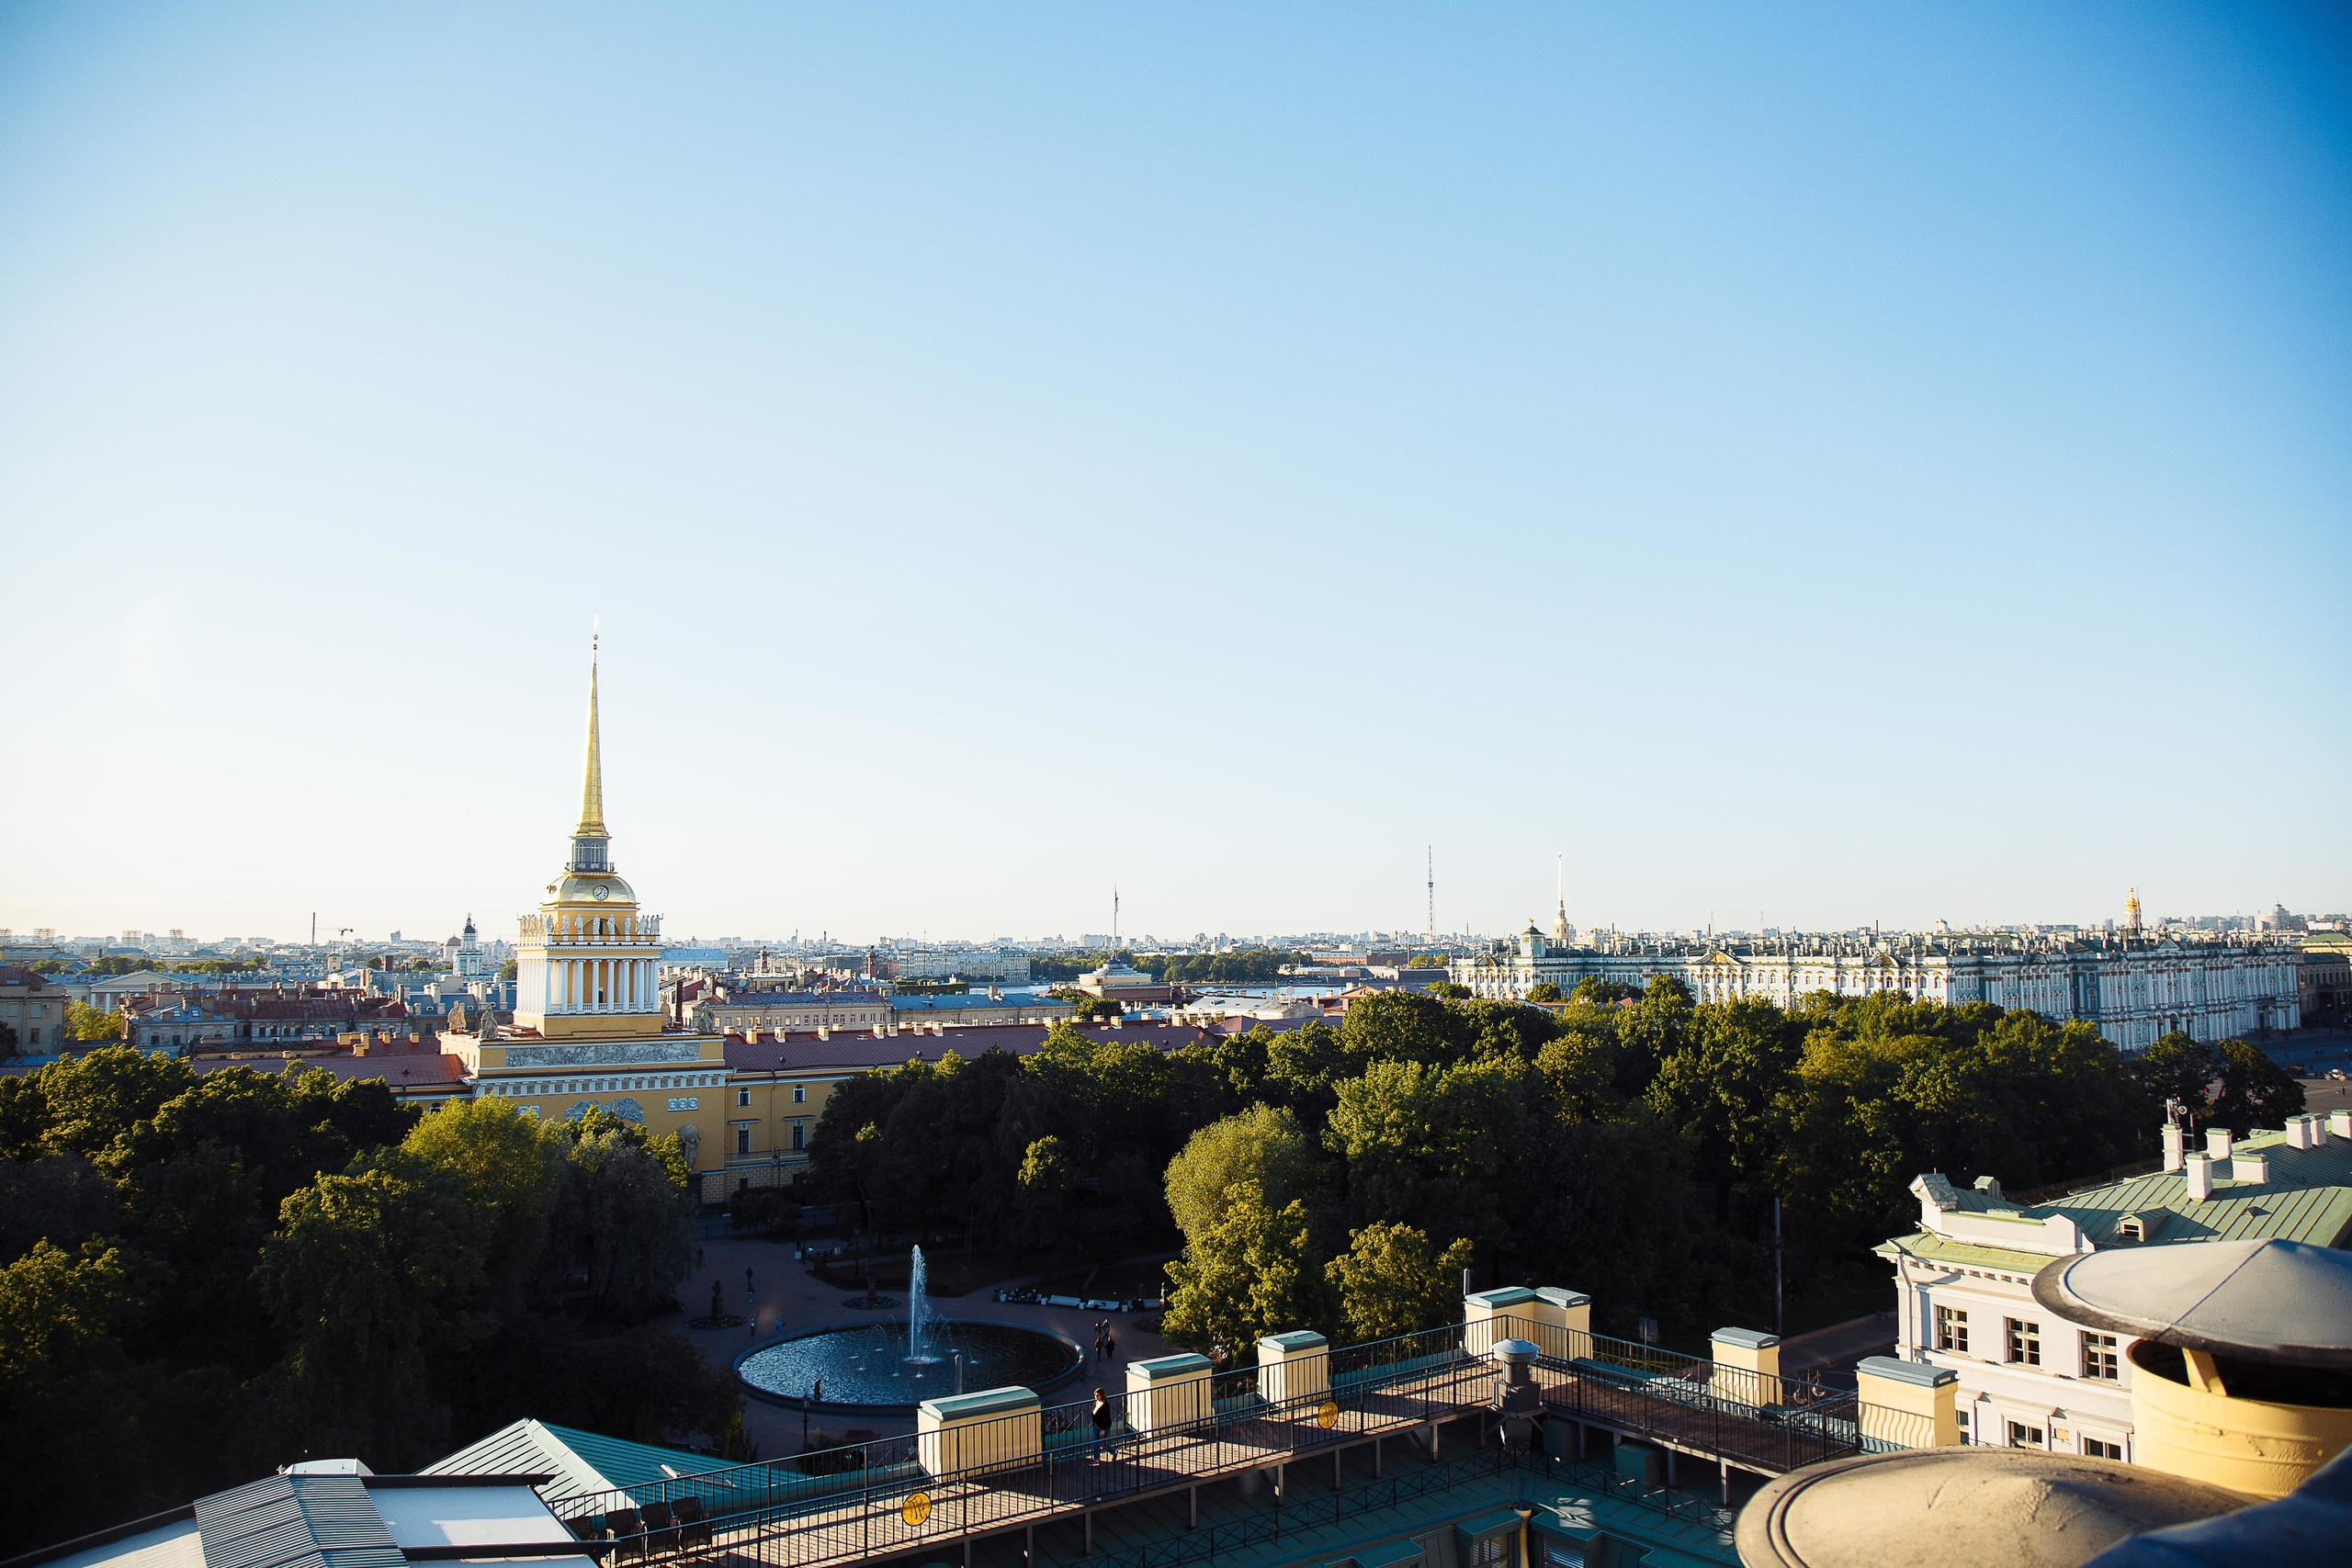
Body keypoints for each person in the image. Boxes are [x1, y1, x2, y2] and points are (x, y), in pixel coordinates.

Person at [1090, 1387, 1112, 1461]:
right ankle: (1096, 1459)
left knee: (1103, 1443)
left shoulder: (1105, 1405)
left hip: (1103, 1427)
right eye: (1095, 1395)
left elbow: (1106, 1418)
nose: (1096, 1396)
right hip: (1096, 1426)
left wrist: (1104, 1429)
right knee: (1095, 1443)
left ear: (1101, 1395)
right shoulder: (1095, 1402)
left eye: (1097, 1395)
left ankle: (1114, 1451)